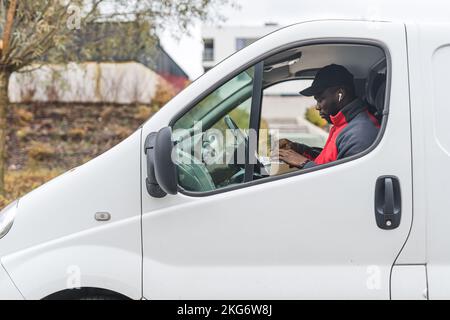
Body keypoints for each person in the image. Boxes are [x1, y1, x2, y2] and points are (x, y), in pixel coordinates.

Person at [277, 64, 380, 169]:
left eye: (321, 99)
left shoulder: (360, 133)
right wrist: (300, 149)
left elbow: (343, 180)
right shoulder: (343, 124)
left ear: (340, 94)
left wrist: (303, 163)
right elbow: (330, 162)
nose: (317, 107)